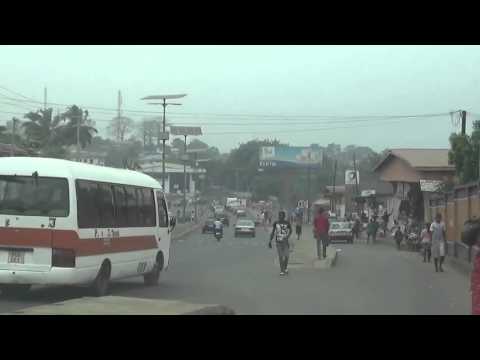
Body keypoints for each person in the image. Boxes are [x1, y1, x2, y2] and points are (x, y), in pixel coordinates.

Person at [268, 211, 292, 276]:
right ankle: (282, 270)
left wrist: (287, 236)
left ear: (284, 216)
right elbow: (273, 232)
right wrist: (270, 241)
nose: (280, 216)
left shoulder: (287, 223)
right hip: (278, 242)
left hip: (285, 242)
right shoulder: (276, 223)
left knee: (287, 256)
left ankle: (285, 267)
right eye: (279, 215)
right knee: (280, 256)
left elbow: (291, 231)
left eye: (281, 215)